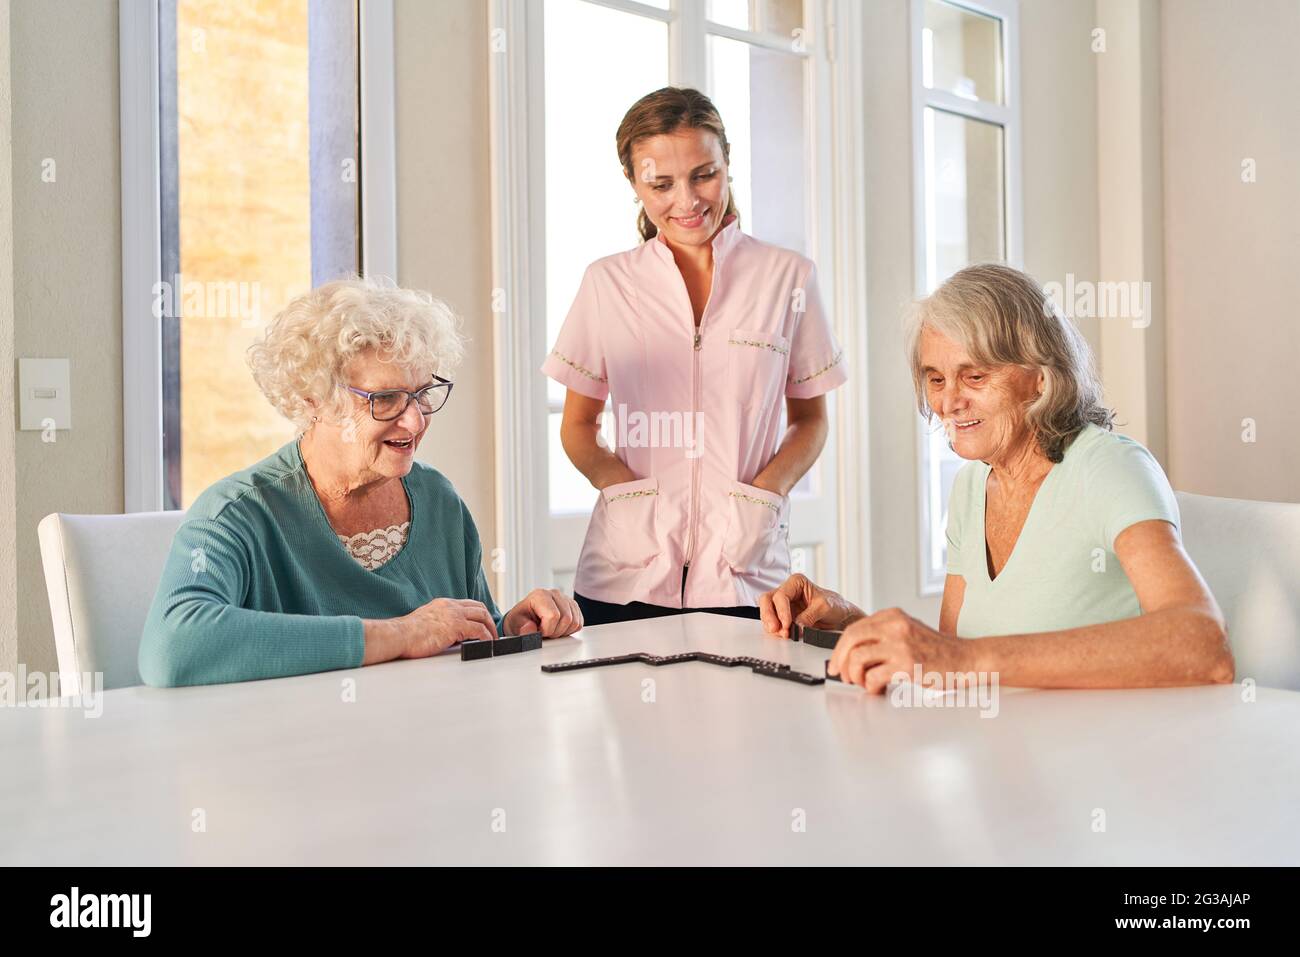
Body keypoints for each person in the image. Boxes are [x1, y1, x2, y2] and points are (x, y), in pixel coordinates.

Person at [759, 263, 1234, 691]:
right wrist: (849, 623)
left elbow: (1203, 645)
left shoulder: (1109, 468)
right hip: (1006, 758)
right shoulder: (972, 487)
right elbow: (951, 656)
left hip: (1104, 764)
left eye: (975, 377)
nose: (948, 402)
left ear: (1040, 377)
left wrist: (958, 660)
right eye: (937, 378)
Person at [139, 278, 581, 687]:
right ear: (315, 400)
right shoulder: (240, 513)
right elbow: (173, 648)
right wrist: (400, 635)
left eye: (422, 394)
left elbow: (454, 639)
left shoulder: (438, 501)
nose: (414, 420)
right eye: (386, 399)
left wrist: (509, 628)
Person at [542, 86, 847, 626]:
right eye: (661, 184)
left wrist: (765, 495)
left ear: (727, 163)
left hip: (746, 576)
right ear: (634, 185)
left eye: (703, 175)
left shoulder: (787, 277)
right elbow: (578, 425)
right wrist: (622, 490)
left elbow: (810, 420)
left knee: (748, 711)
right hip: (624, 577)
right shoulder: (607, 282)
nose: (686, 201)